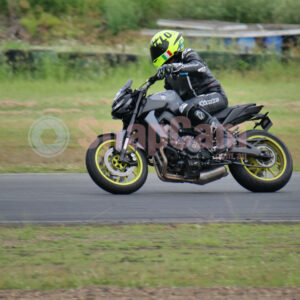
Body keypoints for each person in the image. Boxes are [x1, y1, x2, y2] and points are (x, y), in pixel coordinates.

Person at [150, 30, 228, 126]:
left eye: (159, 50)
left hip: (215, 96)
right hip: (193, 105)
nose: (156, 53)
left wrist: (175, 67)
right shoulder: (168, 73)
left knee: (185, 107)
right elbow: (171, 95)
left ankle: (222, 134)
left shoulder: (187, 54)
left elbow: (199, 67)